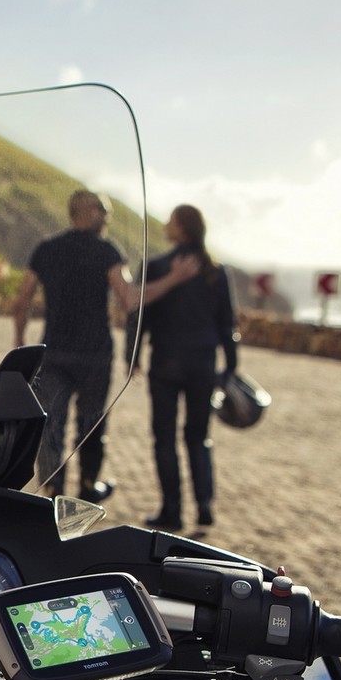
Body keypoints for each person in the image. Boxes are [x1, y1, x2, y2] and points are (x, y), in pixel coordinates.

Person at [12, 190, 196, 500]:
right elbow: (129, 299)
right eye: (104, 209)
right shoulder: (107, 250)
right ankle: (87, 490)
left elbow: (22, 300)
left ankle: (53, 491)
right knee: (91, 425)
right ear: (86, 210)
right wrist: (173, 279)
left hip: (52, 352)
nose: (108, 217)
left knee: (51, 426)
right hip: (94, 355)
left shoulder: (46, 249)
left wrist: (19, 339)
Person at [139, 204, 238, 530]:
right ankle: (204, 505)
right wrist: (231, 366)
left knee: (164, 438)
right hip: (203, 363)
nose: (165, 225)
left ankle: (172, 510)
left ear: (181, 228)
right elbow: (227, 324)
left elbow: (141, 317)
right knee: (198, 436)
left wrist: (132, 356)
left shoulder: (157, 266)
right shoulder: (216, 271)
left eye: (171, 221)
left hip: (165, 362)